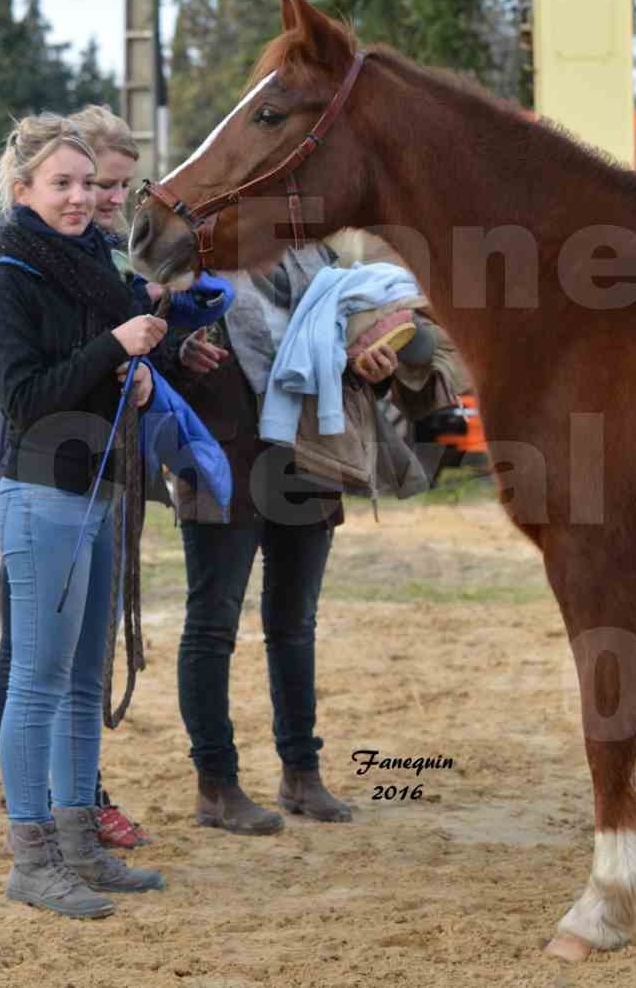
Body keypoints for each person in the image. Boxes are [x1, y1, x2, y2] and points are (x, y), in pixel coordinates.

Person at [0, 113, 167, 917]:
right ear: (24, 191)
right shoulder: (9, 274)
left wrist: (140, 370)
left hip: (101, 486)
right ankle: (32, 857)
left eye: (89, 183)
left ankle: (82, 842)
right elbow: (24, 398)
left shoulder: (95, 264)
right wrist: (115, 350)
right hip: (41, 492)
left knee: (85, 683)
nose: (83, 197)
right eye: (63, 183)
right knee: (39, 682)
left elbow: (100, 363)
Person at [166, 245, 407, 834]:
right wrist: (178, 351)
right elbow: (148, 346)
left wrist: (372, 366)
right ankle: (217, 785)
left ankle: (301, 772)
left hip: (308, 445)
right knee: (213, 623)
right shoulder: (188, 254)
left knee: (295, 623)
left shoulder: (316, 254)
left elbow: (347, 343)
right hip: (220, 448)